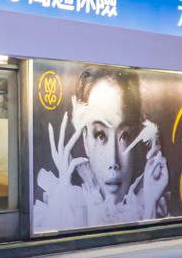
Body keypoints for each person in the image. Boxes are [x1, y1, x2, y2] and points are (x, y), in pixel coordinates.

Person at [34, 65, 169, 231]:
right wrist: (64, 197)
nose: (113, 161)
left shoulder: (152, 205)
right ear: (85, 139)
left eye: (124, 136)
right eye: (100, 135)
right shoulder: (68, 206)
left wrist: (150, 205)